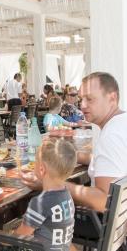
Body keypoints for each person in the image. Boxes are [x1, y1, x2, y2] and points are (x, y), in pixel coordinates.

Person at [22, 71, 127, 214]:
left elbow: (105, 200)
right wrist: (73, 155)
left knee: (36, 212)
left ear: (112, 98)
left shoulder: (111, 136)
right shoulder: (121, 123)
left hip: (101, 230)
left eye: (90, 99)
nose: (82, 105)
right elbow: (111, 162)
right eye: (81, 98)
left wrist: (49, 184)